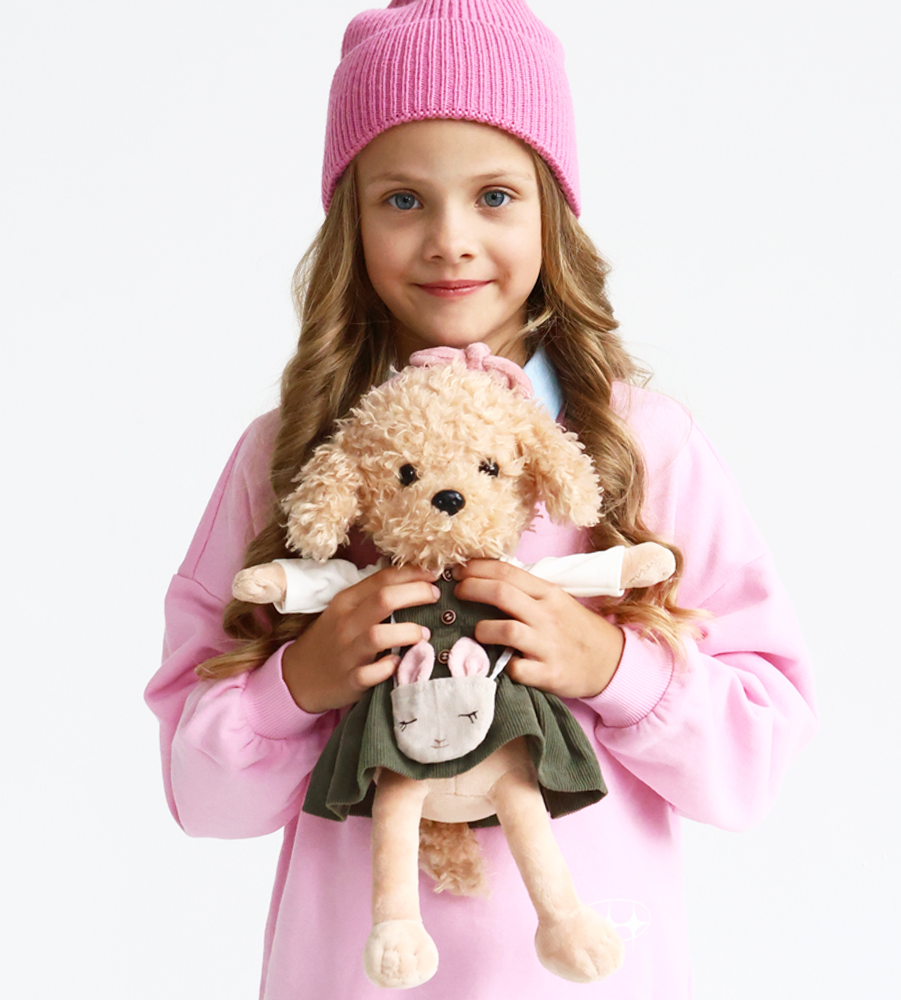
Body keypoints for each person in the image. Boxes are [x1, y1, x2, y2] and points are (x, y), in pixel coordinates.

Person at [144, 2, 818, 998]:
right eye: (403, 199)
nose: (450, 240)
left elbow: (756, 758)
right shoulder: (287, 458)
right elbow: (202, 798)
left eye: (494, 195)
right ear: (351, 220)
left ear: (552, 211)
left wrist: (614, 668)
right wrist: (298, 683)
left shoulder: (644, 446)